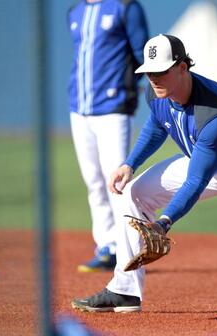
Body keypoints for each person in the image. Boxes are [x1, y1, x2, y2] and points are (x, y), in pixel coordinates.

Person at [71, 34, 217, 318]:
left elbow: (196, 181)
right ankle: (125, 290)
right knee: (133, 193)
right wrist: (130, 164)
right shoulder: (157, 92)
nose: (154, 78)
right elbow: (155, 127)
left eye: (161, 71)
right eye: (149, 71)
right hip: (205, 162)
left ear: (182, 67)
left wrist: (164, 222)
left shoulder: (213, 112)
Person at [67, 0, 149, 272]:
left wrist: (129, 84)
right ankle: (106, 246)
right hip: (79, 107)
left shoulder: (125, 6)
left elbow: (142, 53)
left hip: (113, 107)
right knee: (93, 181)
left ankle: (126, 247)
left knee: (116, 180)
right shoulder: (75, 11)